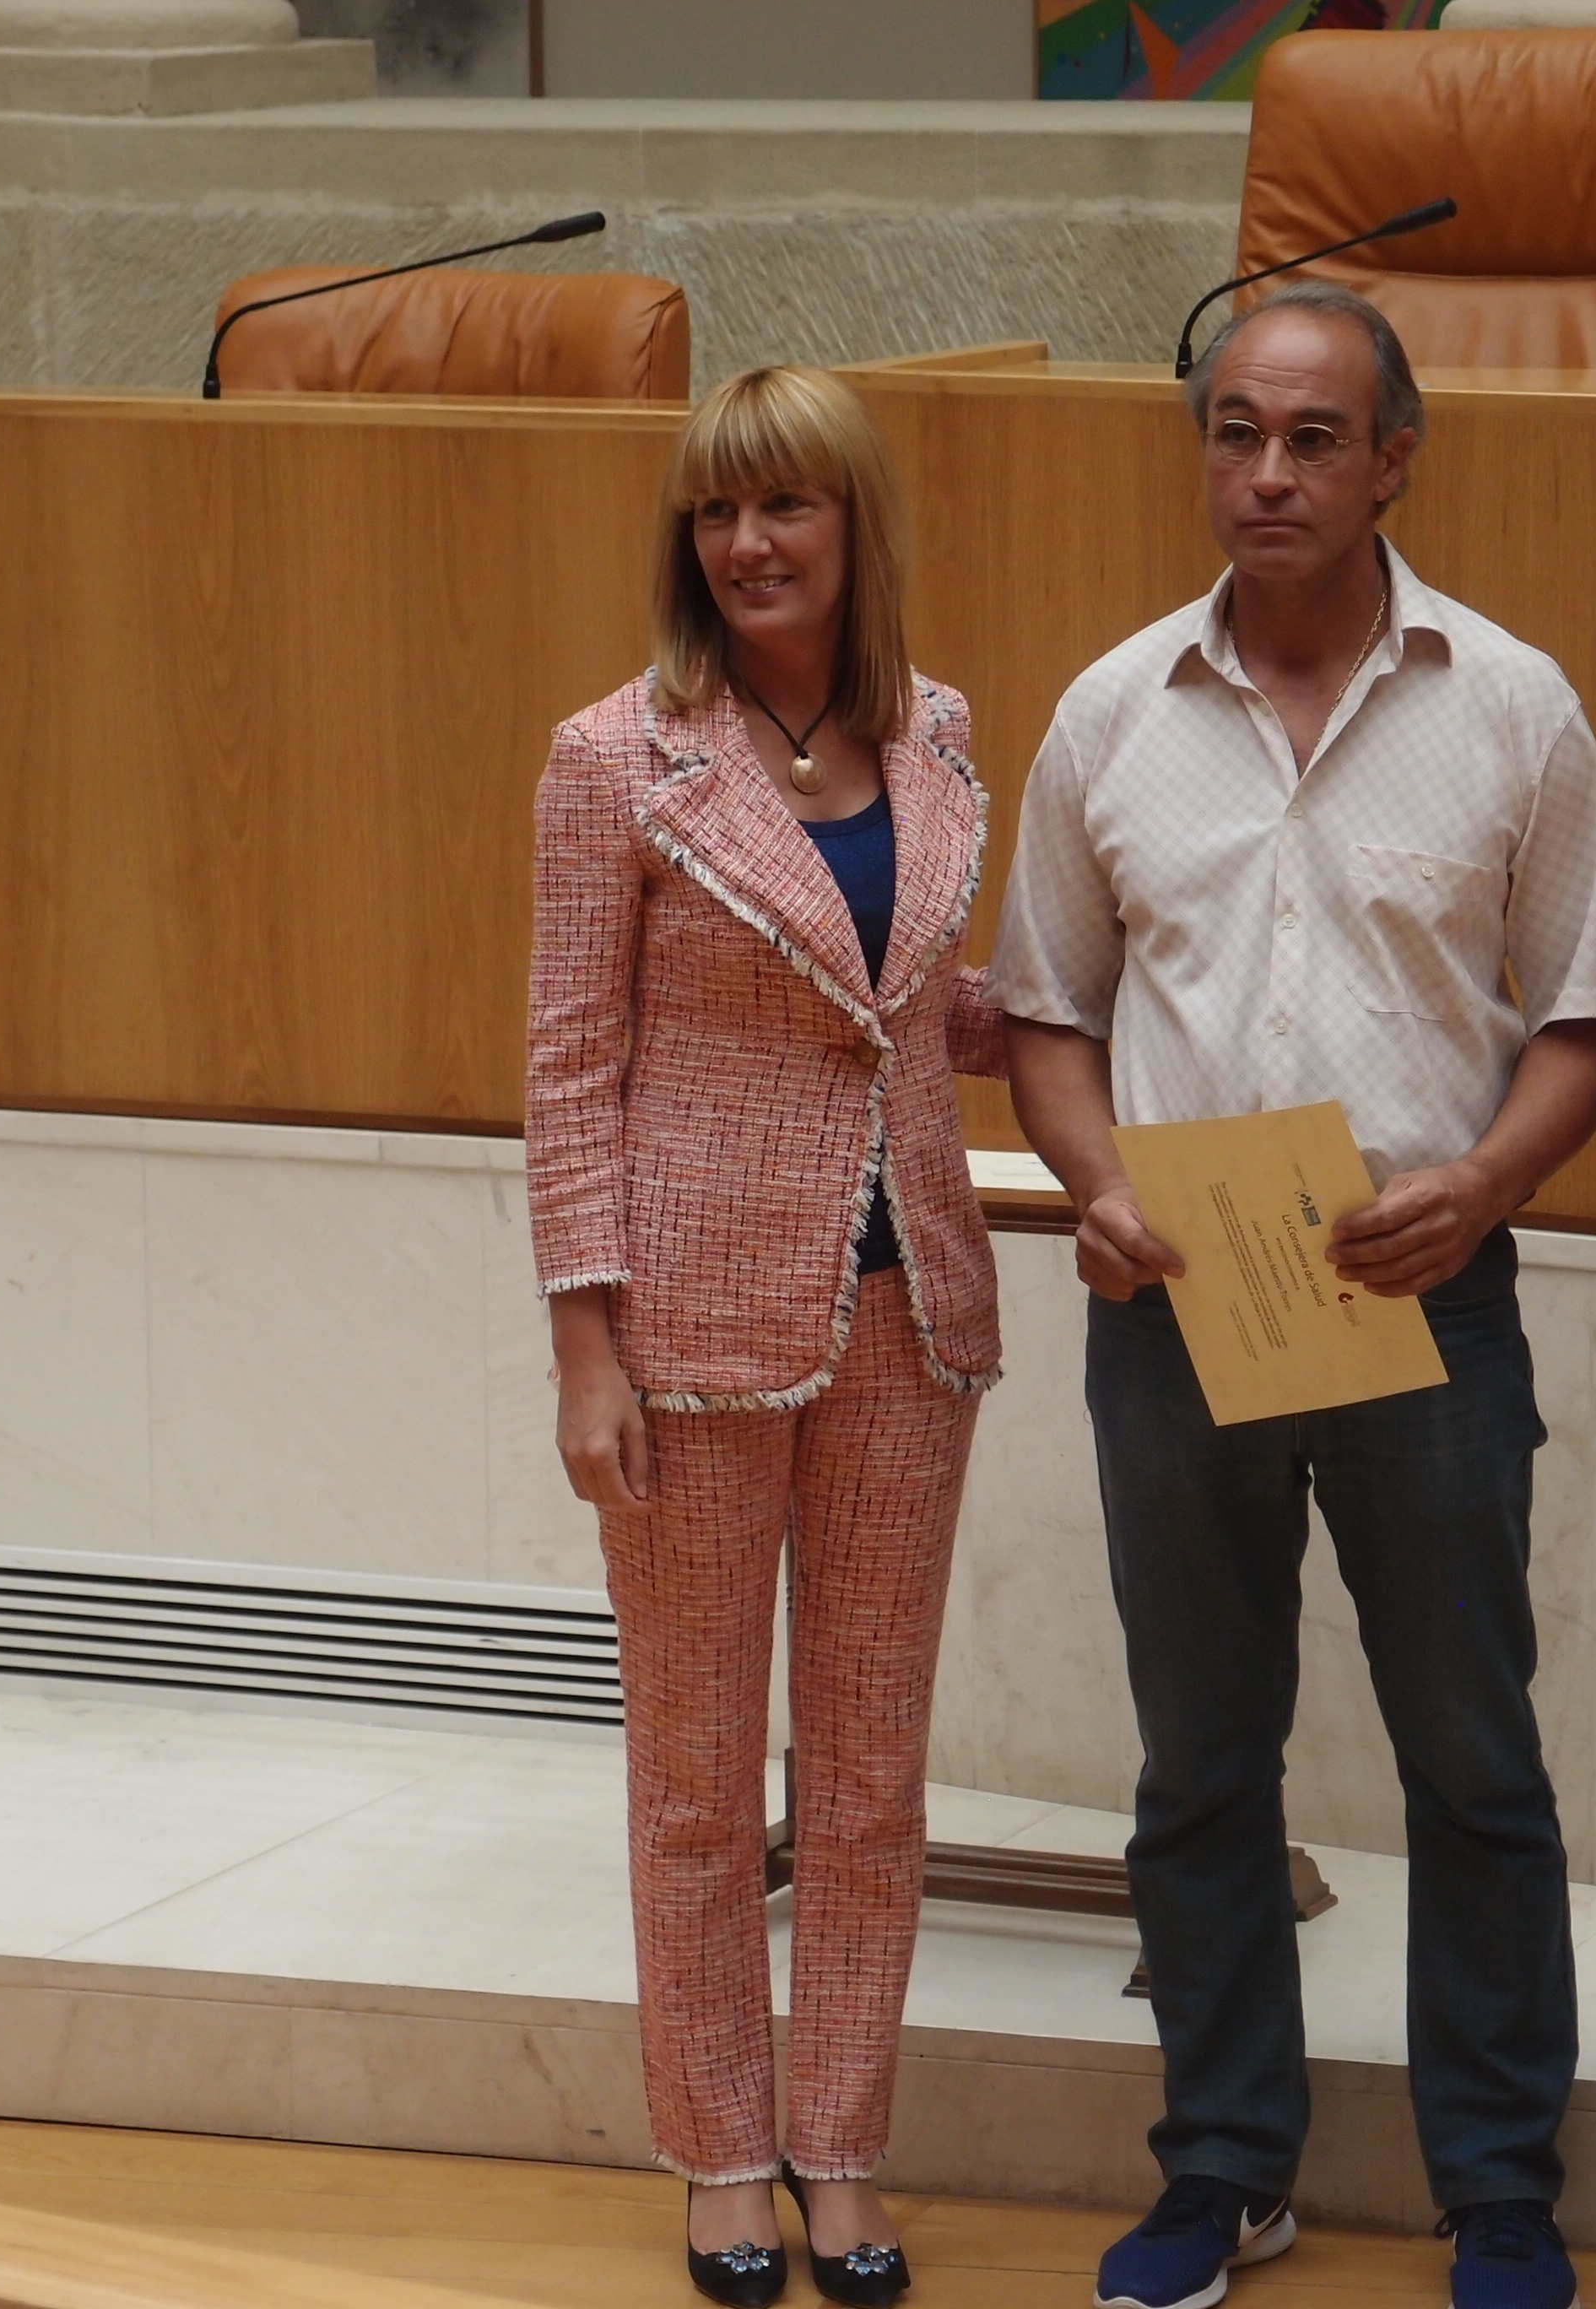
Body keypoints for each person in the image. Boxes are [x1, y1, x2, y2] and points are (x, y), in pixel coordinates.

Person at [992, 281, 1596, 2309]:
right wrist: (1099, 1189)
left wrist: (1488, 1184)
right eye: (1235, 434)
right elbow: (1047, 1013)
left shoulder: (1510, 704)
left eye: (1312, 439)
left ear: (1394, 464)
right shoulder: (1112, 712)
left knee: (1476, 1765)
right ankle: (1223, 2172)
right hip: (1179, 1300)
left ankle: (1500, 2193)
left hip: (1424, 1296)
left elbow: (1590, 1010)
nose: (1266, 474)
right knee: (1200, 1766)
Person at [524, 365, 1005, 2309]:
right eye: (717, 512)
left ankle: (842, 2147)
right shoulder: (615, 757)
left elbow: (911, 1005)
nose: (747, 544)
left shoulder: (940, 731)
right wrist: (586, 1345)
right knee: (701, 1781)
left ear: (854, 522)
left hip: (913, 1318)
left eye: (785, 505)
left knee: (873, 1777)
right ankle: (723, 2153)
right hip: (690, 1325)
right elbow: (570, 1066)